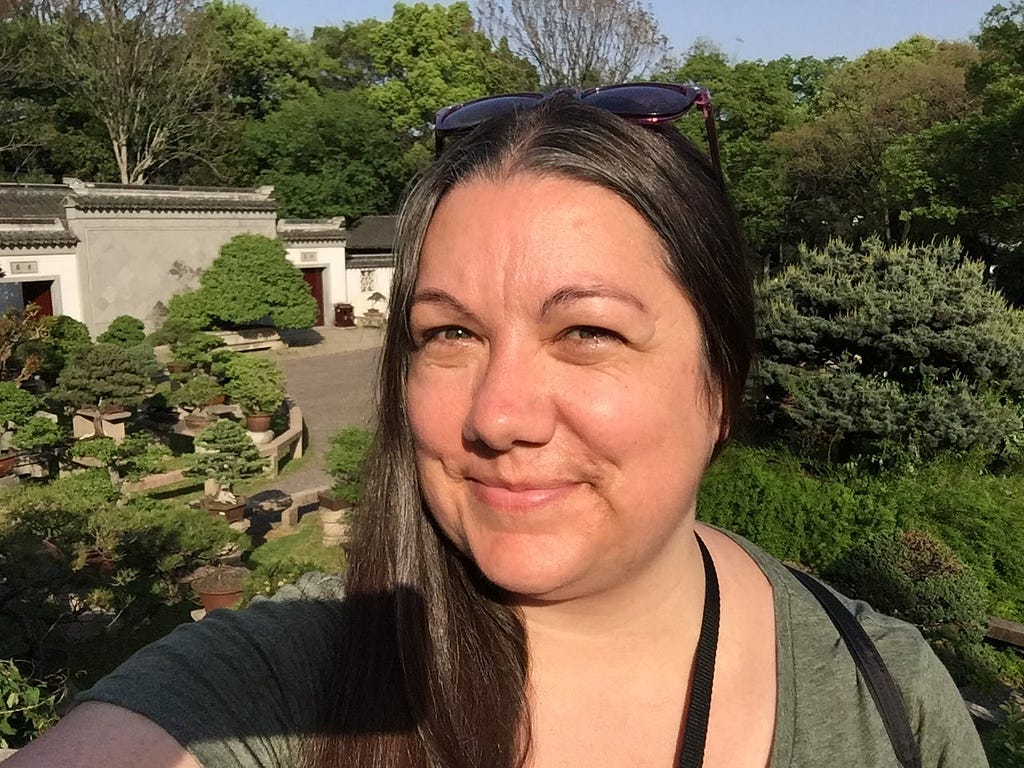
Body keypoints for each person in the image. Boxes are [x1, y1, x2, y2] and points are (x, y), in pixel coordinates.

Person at [9, 86, 987, 768]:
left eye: (588, 331)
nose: (497, 415)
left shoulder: (882, 702)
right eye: (450, 333)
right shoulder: (292, 675)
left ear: (721, 381)